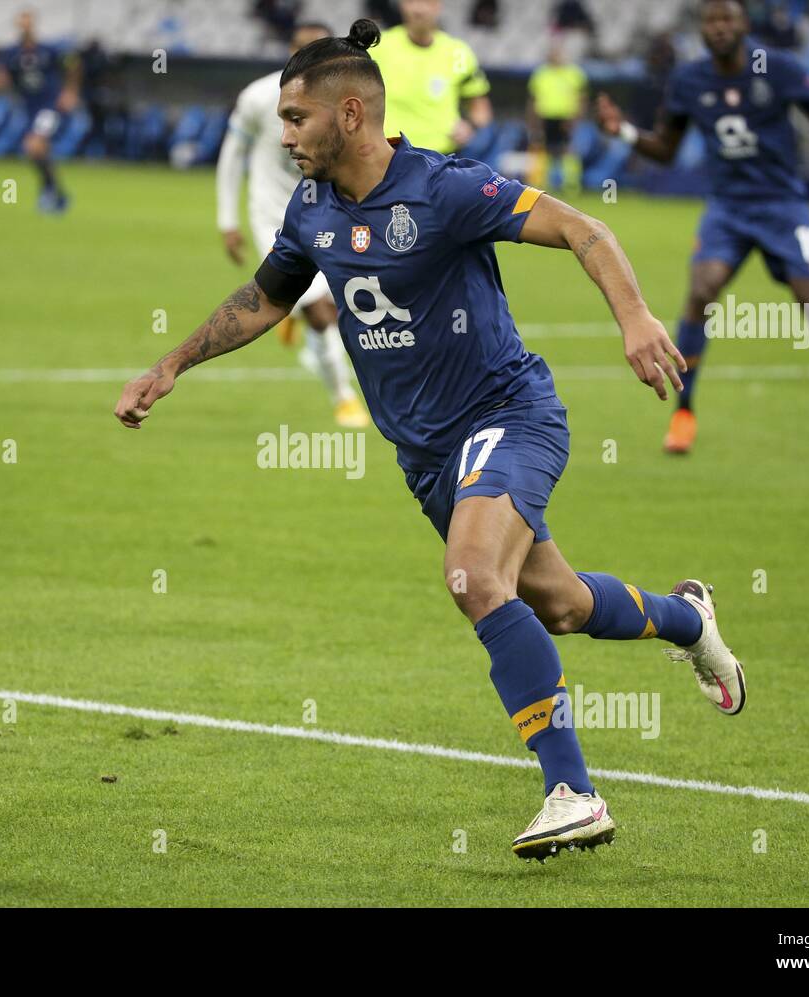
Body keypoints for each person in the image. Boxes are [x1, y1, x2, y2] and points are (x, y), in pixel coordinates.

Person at [116, 20, 747, 863]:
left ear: (350, 113)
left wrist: (634, 316)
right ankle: (688, 620)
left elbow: (580, 229)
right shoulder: (313, 208)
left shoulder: (443, 188)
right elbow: (264, 299)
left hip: (508, 413)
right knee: (554, 603)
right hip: (427, 456)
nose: (286, 135)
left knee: (474, 577)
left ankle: (573, 791)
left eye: (296, 118)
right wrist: (171, 365)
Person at [595, 0, 809, 457]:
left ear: (743, 24)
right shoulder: (689, 80)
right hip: (728, 208)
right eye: (710, 20)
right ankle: (683, 413)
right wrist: (626, 133)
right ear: (702, 28)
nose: (717, 28)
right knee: (701, 290)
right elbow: (667, 150)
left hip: (783, 205)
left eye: (726, 19)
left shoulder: (780, 69)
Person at [216, 22, 369, 428]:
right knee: (321, 311)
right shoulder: (259, 96)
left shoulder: (341, 105)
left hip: (328, 212)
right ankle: (344, 397)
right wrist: (227, 220)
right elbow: (233, 154)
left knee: (344, 304)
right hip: (273, 217)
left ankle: (291, 313)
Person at [368, 0, 492, 155]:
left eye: (427, 2)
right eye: (411, 2)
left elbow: (480, 108)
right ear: (401, 5)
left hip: (441, 158)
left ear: (438, 5)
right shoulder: (378, 47)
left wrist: (470, 126)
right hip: (389, 154)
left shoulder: (458, 54)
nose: (419, 9)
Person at [0, 8, 79, 214]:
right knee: (39, 152)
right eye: (22, 22)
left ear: (34, 24)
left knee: (34, 145)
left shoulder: (48, 50)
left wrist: (70, 91)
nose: (25, 26)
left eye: (28, 22)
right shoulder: (10, 53)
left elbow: (74, 65)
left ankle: (48, 192)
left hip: (49, 106)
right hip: (29, 108)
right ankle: (59, 195)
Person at [527, 41, 587, 192]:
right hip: (545, 117)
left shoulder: (575, 74)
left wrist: (576, 118)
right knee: (542, 149)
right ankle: (540, 183)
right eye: (553, 53)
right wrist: (533, 120)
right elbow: (533, 99)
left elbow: (582, 99)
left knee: (568, 150)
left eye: (559, 53)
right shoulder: (540, 74)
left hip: (566, 117)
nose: (556, 56)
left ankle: (571, 185)